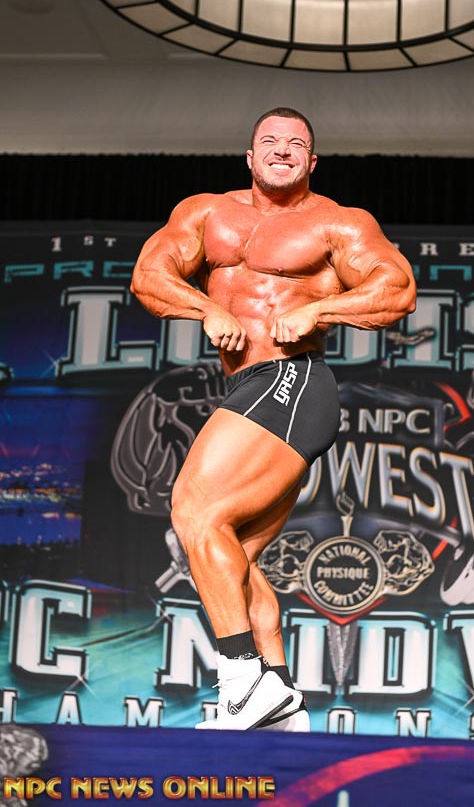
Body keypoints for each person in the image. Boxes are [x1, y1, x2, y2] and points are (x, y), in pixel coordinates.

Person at [130, 107, 416, 732]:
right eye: (270, 141)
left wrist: (320, 311)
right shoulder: (206, 212)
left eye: (295, 144)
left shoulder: (338, 223)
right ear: (250, 155)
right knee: (230, 553)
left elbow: (396, 288)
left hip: (293, 380)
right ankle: (281, 699)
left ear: (311, 161)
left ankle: (240, 684)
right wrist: (206, 309)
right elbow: (149, 277)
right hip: (252, 388)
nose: (282, 150)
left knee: (195, 511)